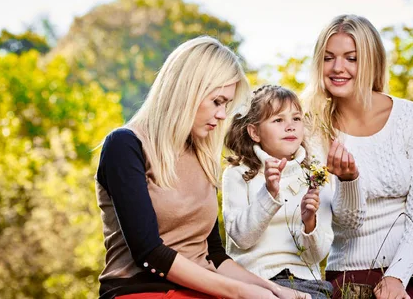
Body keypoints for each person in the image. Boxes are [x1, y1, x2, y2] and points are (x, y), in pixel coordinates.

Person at [95, 36, 311, 299]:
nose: (222, 115)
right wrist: (243, 293)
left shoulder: (203, 154)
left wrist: (274, 290)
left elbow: (215, 256)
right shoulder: (126, 145)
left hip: (205, 291)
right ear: (189, 90)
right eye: (217, 101)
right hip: (142, 291)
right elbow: (148, 251)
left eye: (227, 105)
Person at [301, 14, 413, 299]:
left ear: (371, 62)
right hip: (354, 272)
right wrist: (347, 180)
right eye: (328, 58)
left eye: (351, 58)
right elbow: (343, 222)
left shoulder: (411, 117)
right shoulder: (311, 128)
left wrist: (396, 276)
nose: (338, 68)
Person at [222, 84, 335, 298]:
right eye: (278, 120)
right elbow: (241, 238)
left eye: (296, 118)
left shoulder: (314, 176)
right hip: (253, 280)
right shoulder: (238, 174)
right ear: (254, 132)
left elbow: (315, 257)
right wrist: (269, 194)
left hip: (304, 284)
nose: (290, 126)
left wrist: (309, 222)